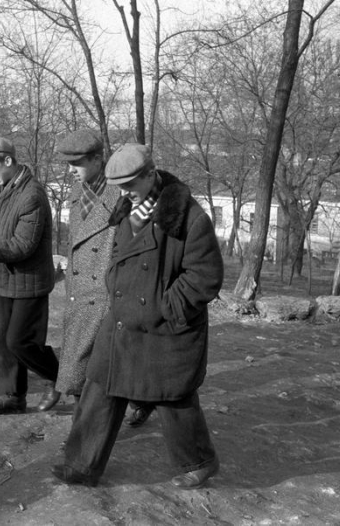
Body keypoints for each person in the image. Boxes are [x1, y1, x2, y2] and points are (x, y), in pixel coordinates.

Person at [52, 143, 224, 489]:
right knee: (100, 386)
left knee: (172, 396)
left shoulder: (189, 217)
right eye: (119, 187)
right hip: (120, 318)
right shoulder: (126, 208)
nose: (124, 194)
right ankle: (81, 465)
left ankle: (200, 462)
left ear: (151, 175)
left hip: (164, 326)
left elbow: (205, 276)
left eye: (130, 185)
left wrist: (164, 307)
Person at [0, 137, 60, 415]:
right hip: (4, 279)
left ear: (8, 161)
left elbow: (22, 246)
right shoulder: (5, 186)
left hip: (30, 282)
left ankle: (61, 377)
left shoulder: (32, 195)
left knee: (20, 341)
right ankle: (13, 398)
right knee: (0, 339)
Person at [53, 130, 120, 405]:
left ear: (96, 159)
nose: (70, 170)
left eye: (76, 163)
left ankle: (92, 419)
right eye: (68, 164)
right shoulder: (78, 189)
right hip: (78, 287)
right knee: (82, 360)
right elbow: (77, 239)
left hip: (103, 288)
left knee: (99, 363)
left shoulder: (120, 193)